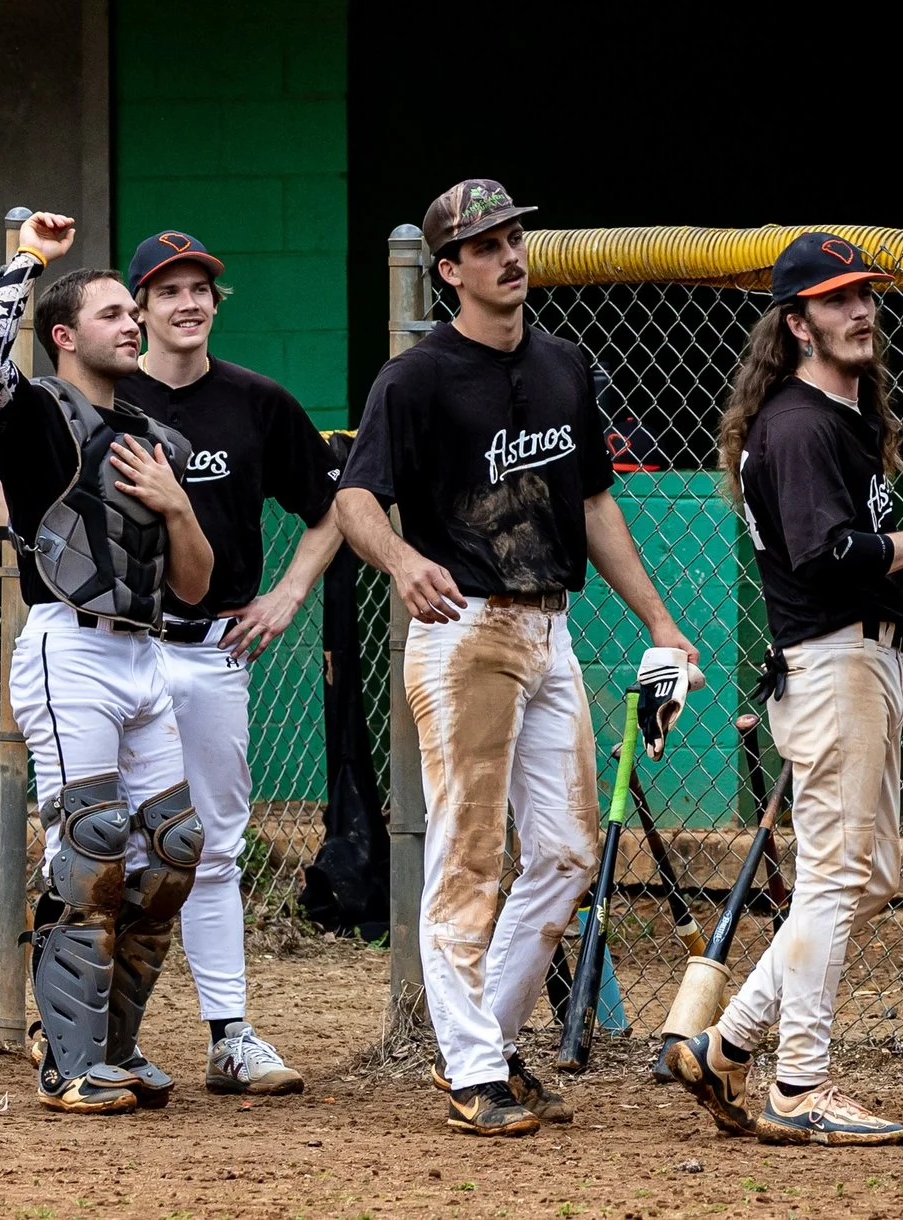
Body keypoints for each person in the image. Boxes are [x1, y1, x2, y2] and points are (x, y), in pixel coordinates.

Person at [335, 179, 696, 1137]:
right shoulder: (414, 379)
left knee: (572, 853)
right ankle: (472, 1069)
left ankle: (482, 1049)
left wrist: (660, 622)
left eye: (514, 236)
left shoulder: (565, 364)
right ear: (448, 270)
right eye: (485, 244)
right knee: (468, 853)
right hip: (464, 629)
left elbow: (592, 504)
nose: (509, 254)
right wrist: (405, 560)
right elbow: (356, 500)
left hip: (550, 627)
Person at [659, 232, 903, 1146]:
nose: (860, 310)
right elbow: (830, 554)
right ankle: (800, 1084)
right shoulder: (795, 425)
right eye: (836, 300)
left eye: (864, 294)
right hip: (828, 664)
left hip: (862, 656)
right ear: (796, 324)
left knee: (865, 878)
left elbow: (859, 568)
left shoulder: (845, 420)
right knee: (837, 877)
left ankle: (722, 1047)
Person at [0, 210, 215, 1115]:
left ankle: (116, 1050)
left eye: (131, 314)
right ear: (65, 336)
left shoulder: (157, 440)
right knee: (93, 846)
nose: (133, 323)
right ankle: (66, 1064)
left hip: (147, 655)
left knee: (175, 856)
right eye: (113, 313)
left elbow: (195, 587)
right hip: (68, 647)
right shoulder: (36, 421)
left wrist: (177, 506)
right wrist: (29, 259)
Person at [114, 229, 342, 1095]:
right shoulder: (107, 397)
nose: (188, 302)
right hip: (115, 648)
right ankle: (79, 1033)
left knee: (209, 846)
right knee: (99, 847)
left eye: (201, 287)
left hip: (210, 651)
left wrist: (286, 595)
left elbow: (330, 507)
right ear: (139, 307)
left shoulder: (257, 402)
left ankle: (230, 1036)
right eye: (168, 290)